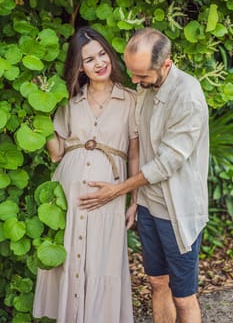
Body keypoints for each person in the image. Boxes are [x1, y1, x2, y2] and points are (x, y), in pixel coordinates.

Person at [79, 27, 209, 323]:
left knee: (184, 296)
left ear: (166, 64)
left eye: (142, 76)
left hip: (178, 212)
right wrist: (136, 198)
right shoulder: (147, 90)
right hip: (150, 207)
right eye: (133, 74)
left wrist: (117, 190)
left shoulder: (187, 96)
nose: (135, 82)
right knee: (157, 283)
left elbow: (165, 164)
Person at [33, 26, 139, 323]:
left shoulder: (130, 99)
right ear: (79, 67)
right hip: (68, 194)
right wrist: (38, 112)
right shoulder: (70, 103)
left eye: (102, 54)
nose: (99, 62)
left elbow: (134, 153)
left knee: (102, 261)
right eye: (89, 59)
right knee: (70, 258)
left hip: (109, 194)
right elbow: (56, 153)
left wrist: (133, 199)